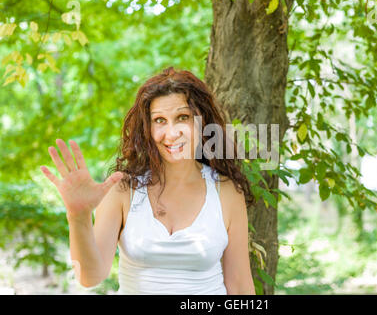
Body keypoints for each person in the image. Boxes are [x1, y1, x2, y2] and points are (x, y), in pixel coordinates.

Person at [40, 67, 256, 295]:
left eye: (182, 117)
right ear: (147, 129)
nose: (171, 133)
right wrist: (78, 217)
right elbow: (90, 276)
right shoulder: (123, 190)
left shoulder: (227, 192)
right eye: (160, 120)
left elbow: (240, 286)